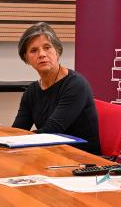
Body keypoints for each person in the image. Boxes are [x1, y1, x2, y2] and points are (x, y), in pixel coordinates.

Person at [11, 22, 101, 155]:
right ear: (26, 58)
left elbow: (52, 131)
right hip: (49, 154)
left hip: (81, 158)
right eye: (34, 50)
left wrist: (19, 139)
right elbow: (18, 130)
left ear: (57, 51)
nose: (42, 54)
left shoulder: (75, 84)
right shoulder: (31, 92)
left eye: (47, 47)